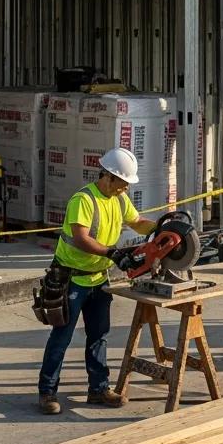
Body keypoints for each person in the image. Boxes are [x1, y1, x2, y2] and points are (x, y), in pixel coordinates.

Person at [37, 147, 156, 415]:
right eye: (122, 183)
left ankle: (99, 389)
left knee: (99, 336)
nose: (124, 189)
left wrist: (162, 228)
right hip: (72, 279)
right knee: (62, 336)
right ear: (109, 177)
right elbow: (81, 238)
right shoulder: (84, 200)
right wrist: (112, 253)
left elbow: (137, 222)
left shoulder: (119, 199)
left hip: (98, 279)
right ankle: (47, 392)